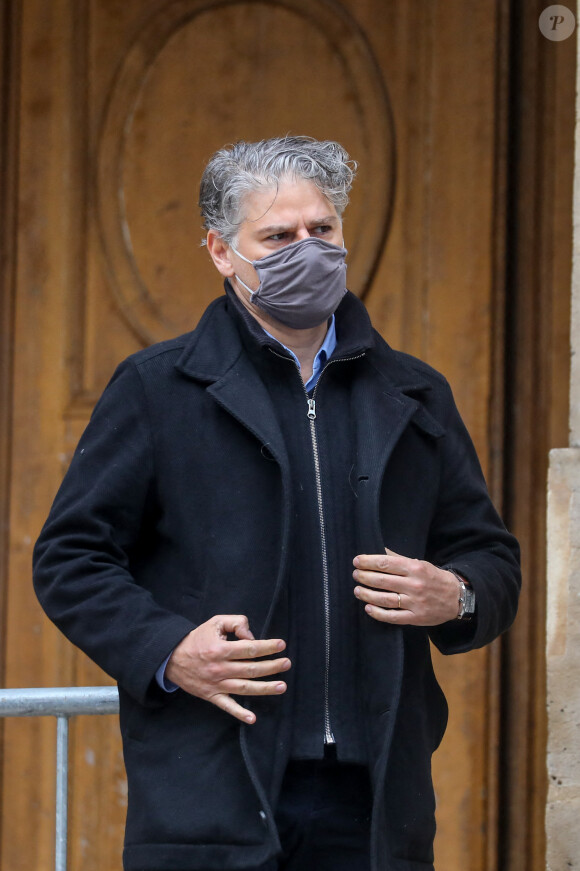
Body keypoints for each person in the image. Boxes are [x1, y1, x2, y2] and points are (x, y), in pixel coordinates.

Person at [33, 135, 520, 871]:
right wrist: (166, 649)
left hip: (376, 799)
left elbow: (492, 557)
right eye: (278, 236)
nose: (307, 249)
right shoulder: (156, 390)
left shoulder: (415, 394)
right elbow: (70, 557)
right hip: (212, 790)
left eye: (322, 230)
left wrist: (457, 593)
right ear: (222, 252)